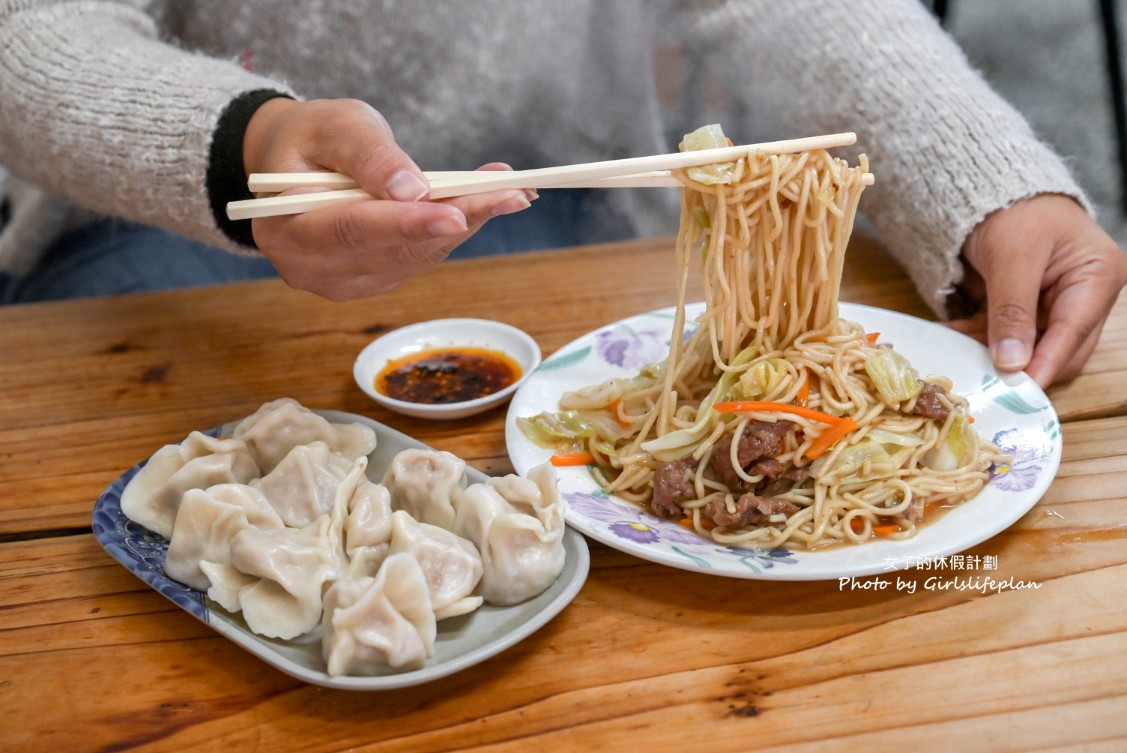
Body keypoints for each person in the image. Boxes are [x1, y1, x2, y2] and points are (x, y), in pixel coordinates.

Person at [0, 0, 1124, 389]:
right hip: (172, 231)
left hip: (564, 215)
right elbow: (33, 32)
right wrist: (240, 144)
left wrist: (986, 186)